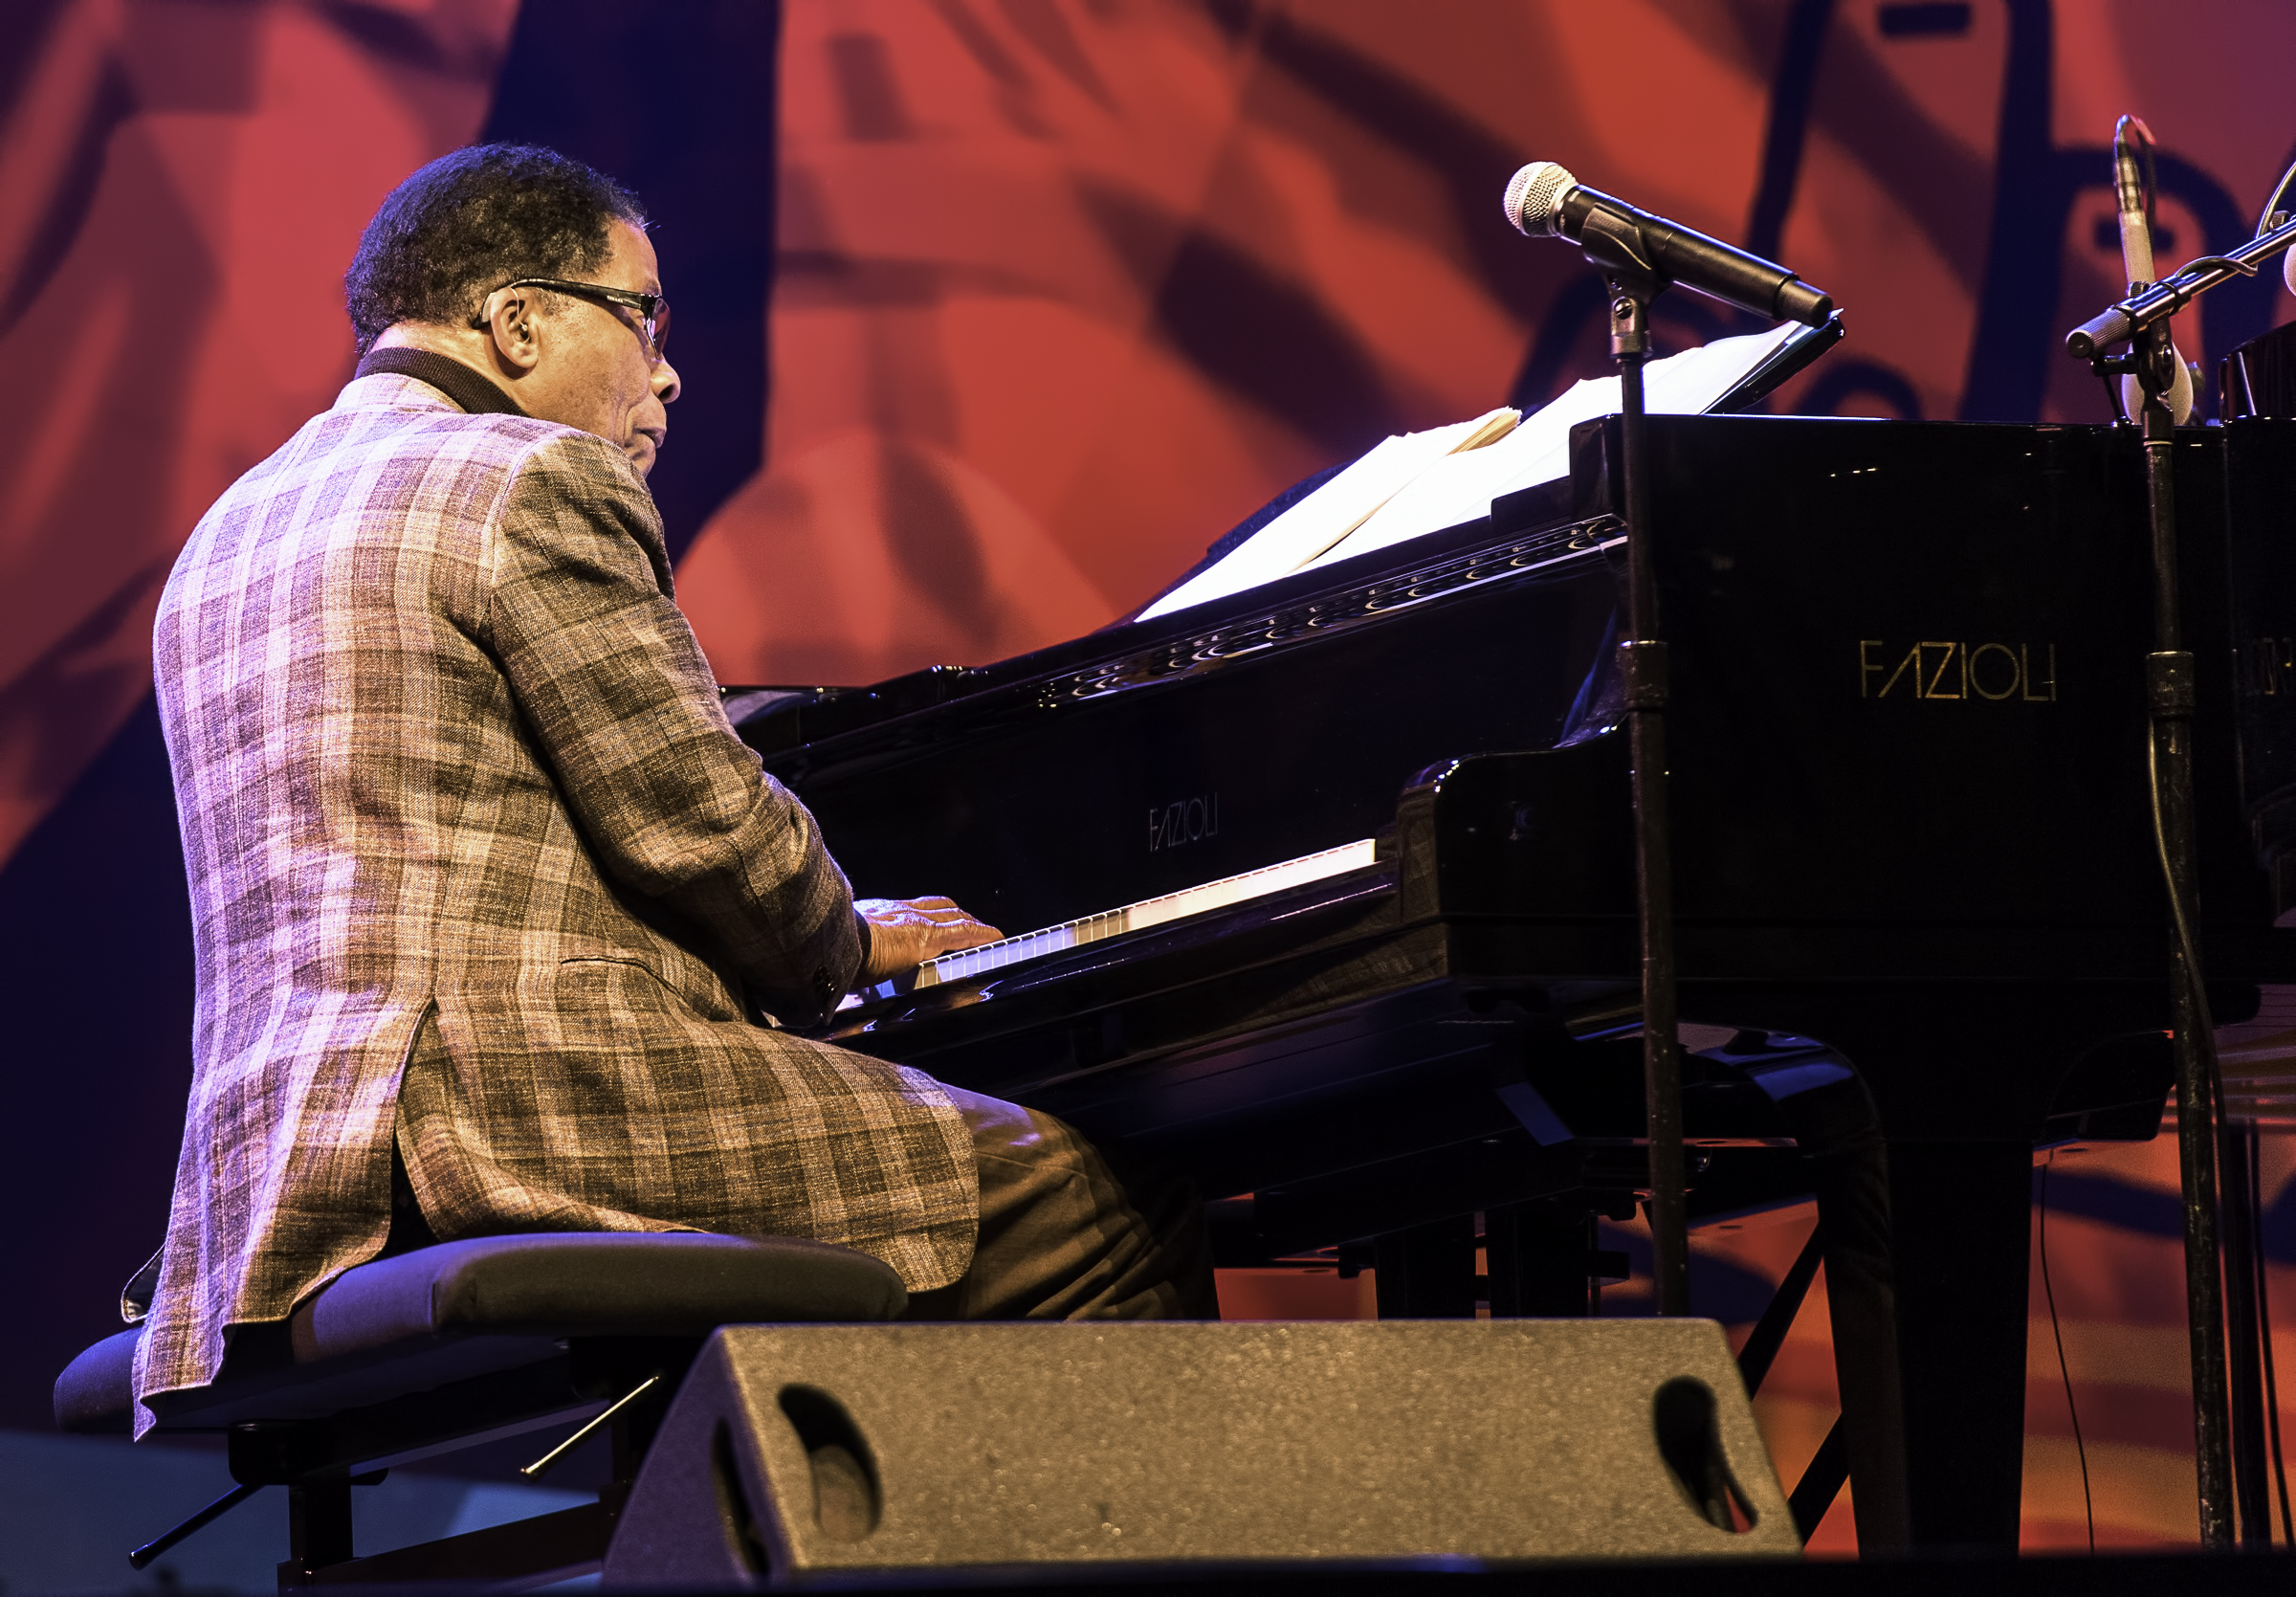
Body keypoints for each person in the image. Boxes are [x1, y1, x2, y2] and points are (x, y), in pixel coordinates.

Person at [131, 144, 1212, 1428]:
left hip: (279, 1182)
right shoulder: (528, 476)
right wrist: (855, 939)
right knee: (1084, 1205)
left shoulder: (228, 534)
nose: (668, 368)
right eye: (642, 318)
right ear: (516, 321)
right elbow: (701, 829)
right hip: (520, 1112)